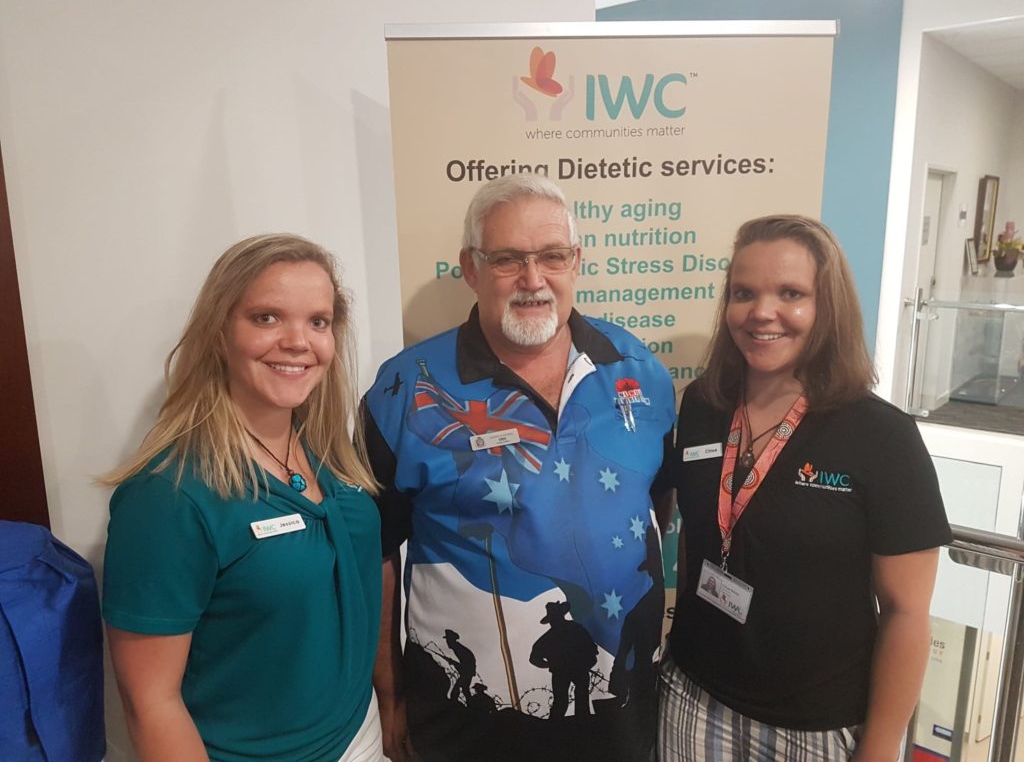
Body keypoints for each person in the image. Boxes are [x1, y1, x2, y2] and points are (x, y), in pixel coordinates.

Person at [362, 174, 675, 762]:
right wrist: (390, 695)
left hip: (621, 724)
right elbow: (375, 554)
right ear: (471, 268)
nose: (534, 280)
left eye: (553, 256)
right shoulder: (406, 391)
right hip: (469, 730)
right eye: (508, 259)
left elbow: (655, 510)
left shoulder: (639, 371)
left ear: (576, 261)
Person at [660, 215, 952, 761]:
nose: (761, 312)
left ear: (827, 307)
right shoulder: (703, 404)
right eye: (744, 293)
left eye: (790, 293)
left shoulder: (880, 434)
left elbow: (906, 612)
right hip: (692, 696)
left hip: (813, 726)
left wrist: (883, 745)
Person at [101, 234, 383, 762]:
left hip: (359, 738)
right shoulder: (168, 498)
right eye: (267, 317)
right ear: (218, 333)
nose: (299, 341)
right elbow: (149, 701)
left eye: (318, 321)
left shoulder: (331, 457)